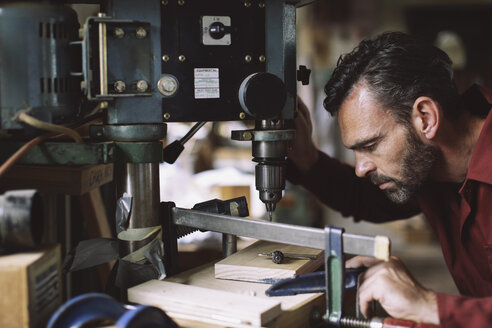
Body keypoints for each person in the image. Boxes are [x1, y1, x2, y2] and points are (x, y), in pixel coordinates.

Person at [287, 31, 492, 327]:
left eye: (370, 146)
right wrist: (308, 161)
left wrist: (426, 304)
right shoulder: (429, 167)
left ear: (425, 117)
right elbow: (369, 198)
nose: (361, 168)